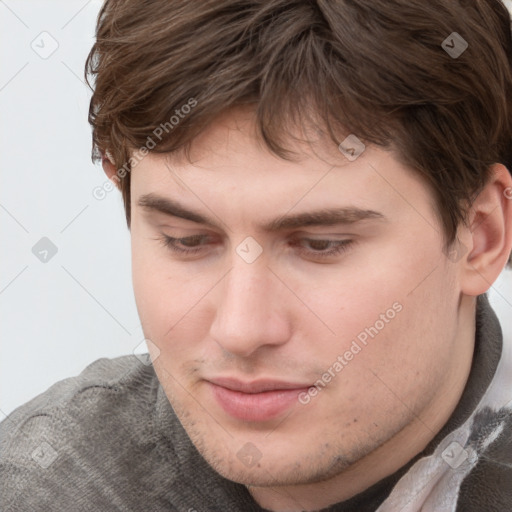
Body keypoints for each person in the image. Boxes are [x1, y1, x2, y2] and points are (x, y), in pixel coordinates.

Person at [2, 0, 512, 510]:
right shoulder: (44, 487)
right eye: (186, 239)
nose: (240, 331)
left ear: (482, 236)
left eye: (320, 245)